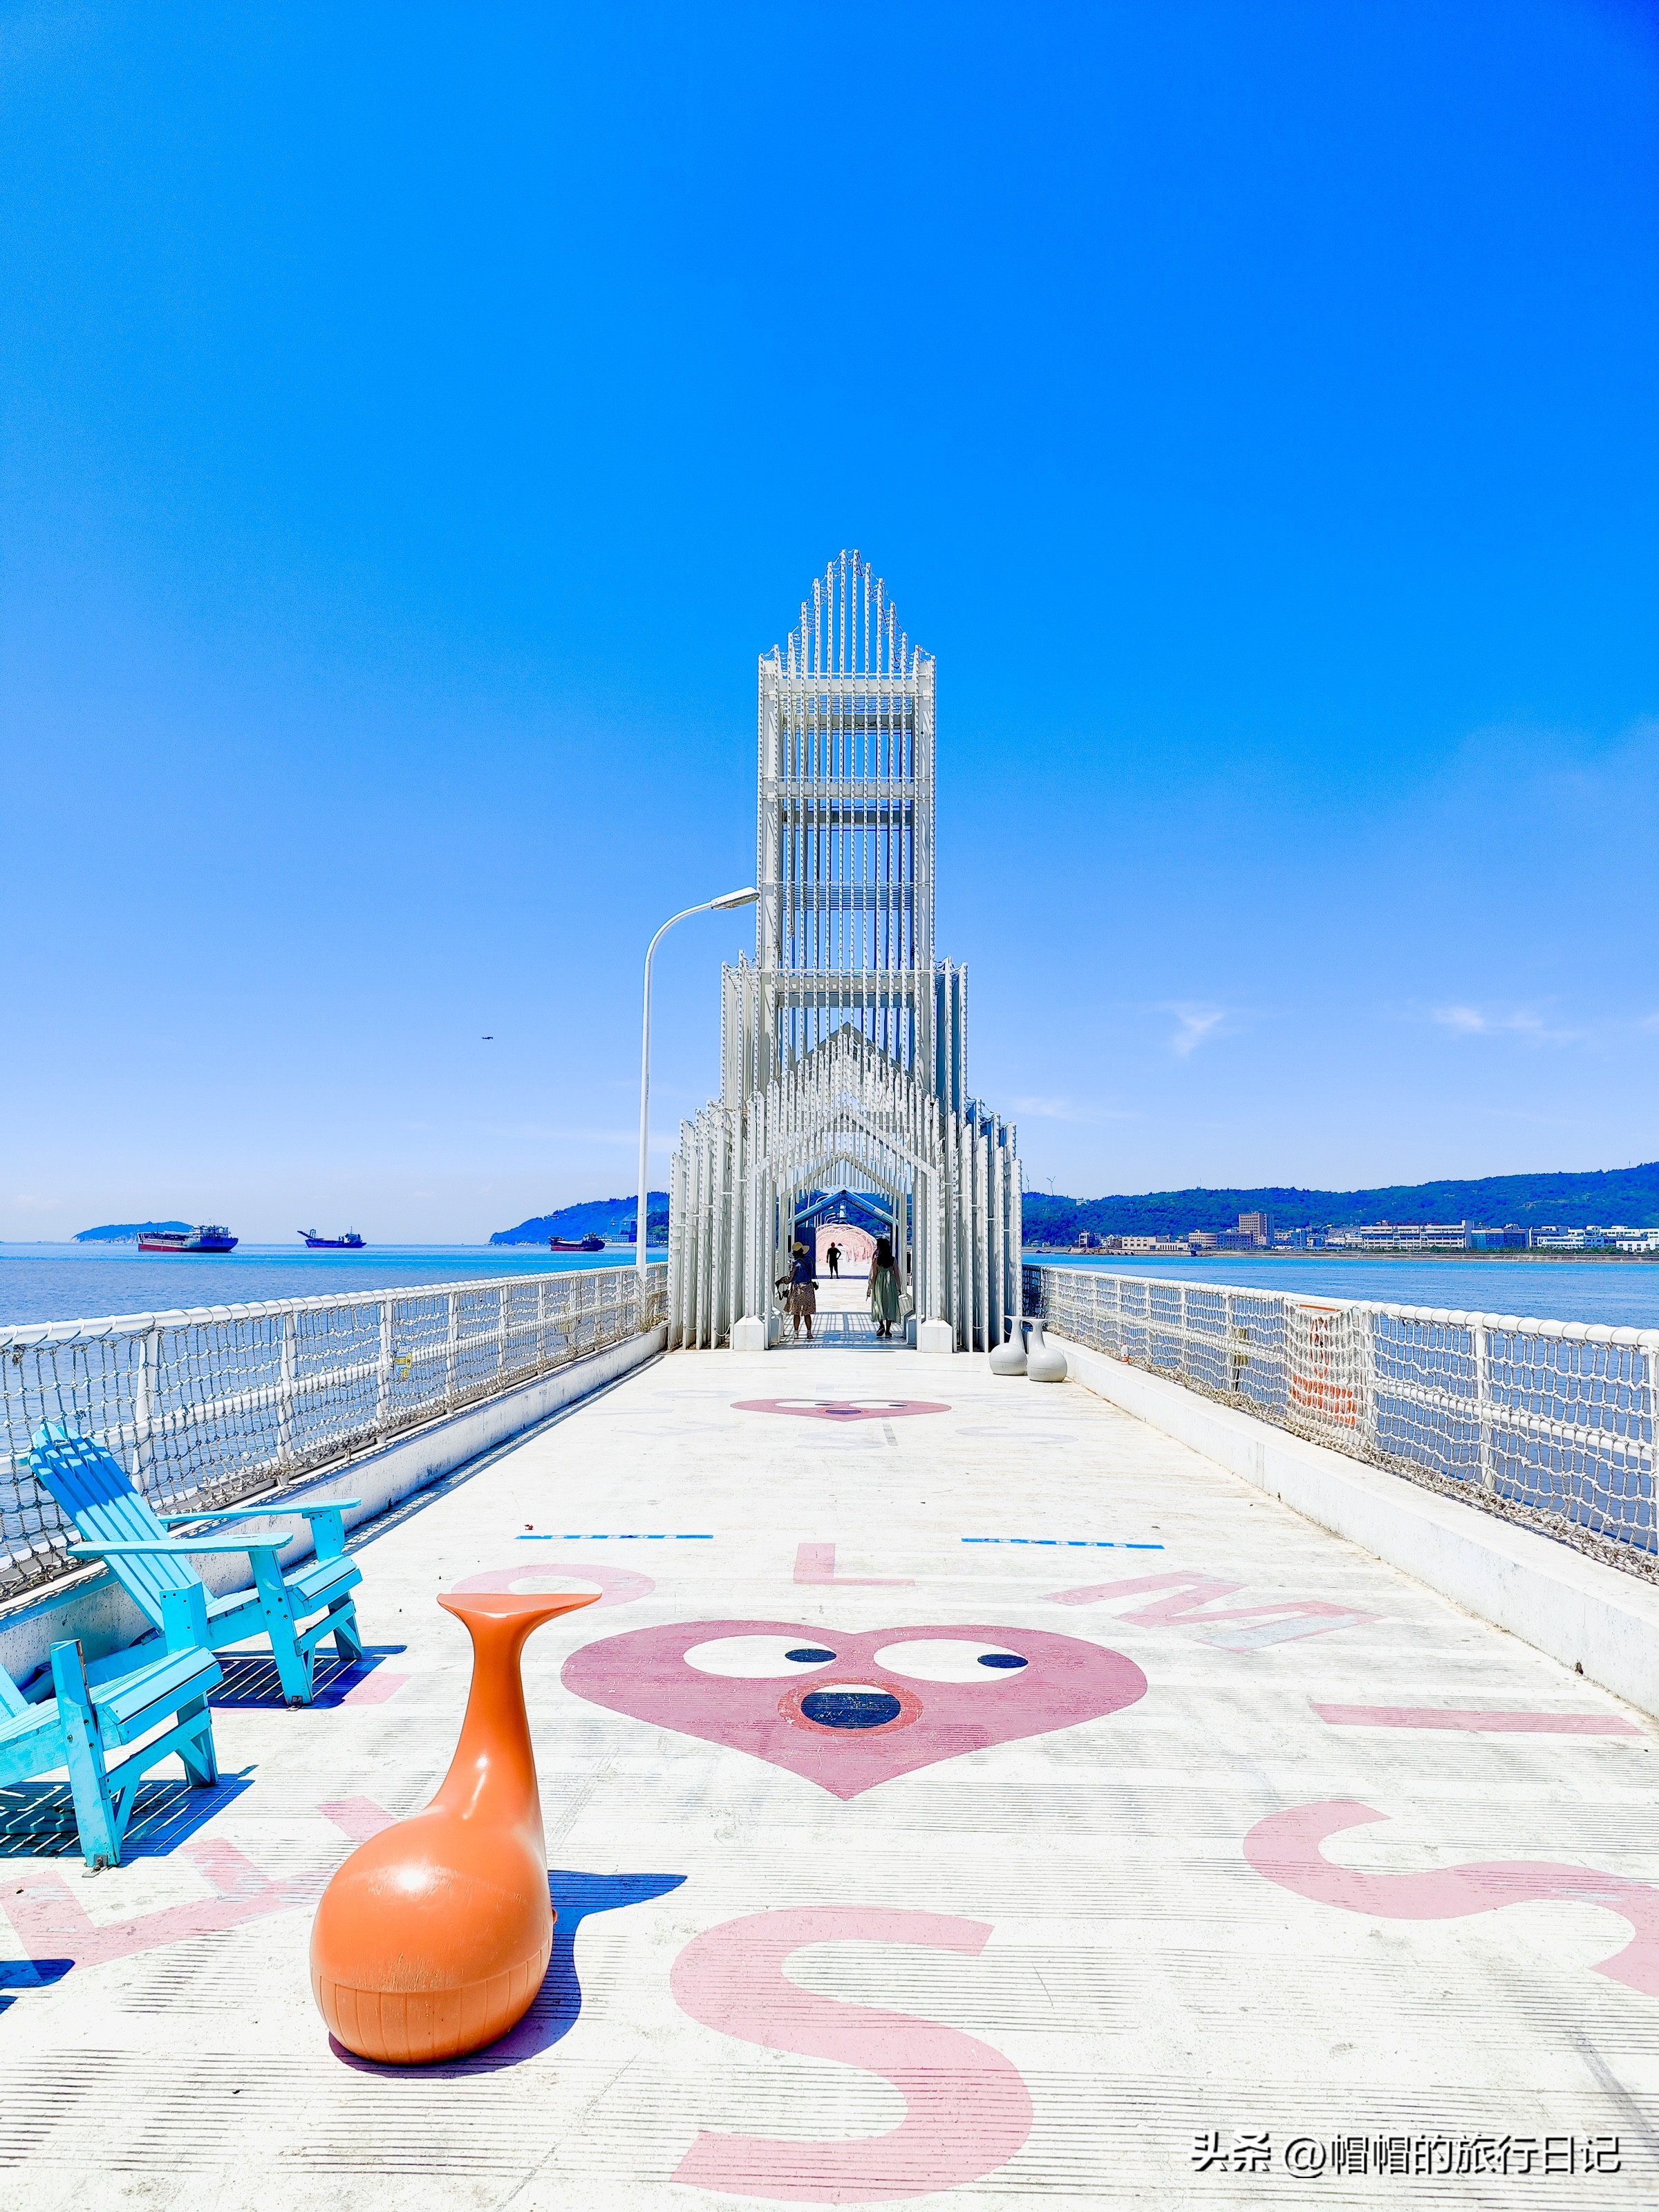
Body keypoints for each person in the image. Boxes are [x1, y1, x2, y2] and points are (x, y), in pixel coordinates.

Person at [868, 1236, 902, 1340]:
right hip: (890, 1284)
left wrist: (871, 1286)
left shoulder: (876, 1260)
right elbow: (897, 1274)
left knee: (879, 1304)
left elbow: (874, 1275)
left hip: (879, 1284)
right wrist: (899, 1287)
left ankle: (881, 1325)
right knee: (890, 1305)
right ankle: (888, 1330)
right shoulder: (893, 1260)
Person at [781, 1241, 816, 1339]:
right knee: (807, 1313)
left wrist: (783, 1281)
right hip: (808, 1289)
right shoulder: (809, 1261)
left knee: (796, 1312)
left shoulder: (795, 1264)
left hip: (797, 1290)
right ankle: (809, 1333)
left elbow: (789, 1279)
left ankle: (796, 1333)